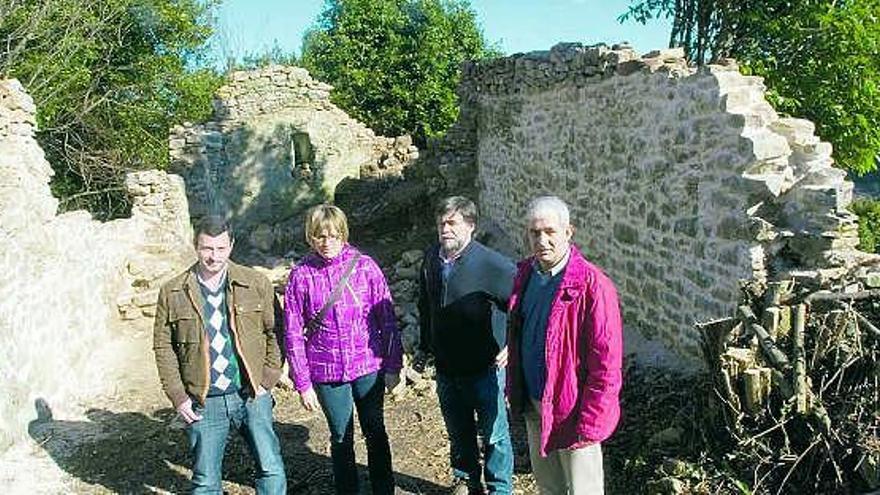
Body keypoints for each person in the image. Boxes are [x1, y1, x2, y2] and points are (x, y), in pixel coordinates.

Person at [153, 216, 287, 494]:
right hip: (204, 401)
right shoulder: (173, 292)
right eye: (207, 249)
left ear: (232, 246)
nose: (214, 257)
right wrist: (178, 397)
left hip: (250, 394)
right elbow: (163, 347)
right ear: (195, 245)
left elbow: (277, 331)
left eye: (221, 249)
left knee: (270, 466)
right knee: (204, 480)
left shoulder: (255, 283)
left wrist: (268, 378)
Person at [506, 196, 623, 495]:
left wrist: (592, 421)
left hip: (574, 410)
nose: (542, 240)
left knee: (584, 490)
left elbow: (607, 363)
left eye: (550, 232)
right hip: (536, 404)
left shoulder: (593, 285)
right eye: (534, 233)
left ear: (568, 232)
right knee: (549, 487)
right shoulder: (526, 275)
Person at [284, 204, 402, 495]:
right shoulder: (301, 275)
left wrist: (393, 366)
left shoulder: (365, 267)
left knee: (375, 431)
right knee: (340, 436)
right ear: (310, 237)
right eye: (320, 236)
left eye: (334, 236)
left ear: (344, 235)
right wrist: (303, 383)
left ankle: (383, 489)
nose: (327, 243)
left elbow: (386, 320)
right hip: (326, 370)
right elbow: (292, 332)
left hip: (367, 365)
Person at [417, 196, 516, 495]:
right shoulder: (431, 258)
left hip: (485, 367)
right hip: (447, 368)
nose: (445, 229)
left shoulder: (492, 264)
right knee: (458, 431)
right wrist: (425, 346)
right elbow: (426, 304)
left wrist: (512, 344)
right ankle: (466, 480)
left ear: (470, 226)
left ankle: (499, 489)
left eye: (452, 223)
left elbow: (523, 304)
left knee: (495, 435)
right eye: (441, 223)